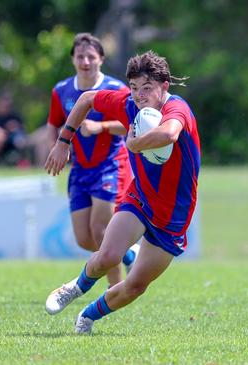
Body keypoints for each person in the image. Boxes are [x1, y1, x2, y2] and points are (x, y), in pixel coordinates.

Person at [44, 50, 200, 334]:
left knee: (136, 286)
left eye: (148, 88)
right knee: (107, 255)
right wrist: (64, 140)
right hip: (139, 198)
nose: (140, 96)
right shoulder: (128, 104)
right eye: (135, 88)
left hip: (173, 216)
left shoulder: (177, 108)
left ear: (164, 86)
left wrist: (136, 145)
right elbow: (87, 99)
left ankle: (87, 316)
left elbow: (169, 134)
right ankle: (74, 287)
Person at [46, 32, 139, 287]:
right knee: (83, 239)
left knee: (100, 230)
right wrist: (55, 148)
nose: (85, 61)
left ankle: (115, 289)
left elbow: (132, 125)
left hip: (111, 165)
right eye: (80, 57)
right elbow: (53, 124)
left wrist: (101, 127)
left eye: (90, 56)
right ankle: (130, 253)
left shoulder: (117, 89)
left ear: (101, 59)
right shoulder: (62, 90)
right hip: (80, 169)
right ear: (73, 60)